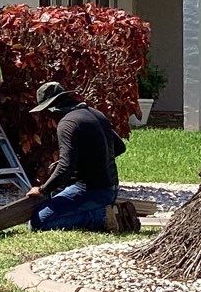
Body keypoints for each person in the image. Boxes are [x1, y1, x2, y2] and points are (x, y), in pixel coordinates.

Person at [24, 81, 139, 233]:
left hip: (91, 191)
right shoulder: (95, 113)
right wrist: (89, 162)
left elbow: (65, 167)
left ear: (51, 109)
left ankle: (104, 217)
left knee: (39, 221)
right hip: (111, 189)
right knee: (56, 198)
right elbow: (119, 147)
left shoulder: (67, 123)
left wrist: (42, 190)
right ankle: (105, 210)